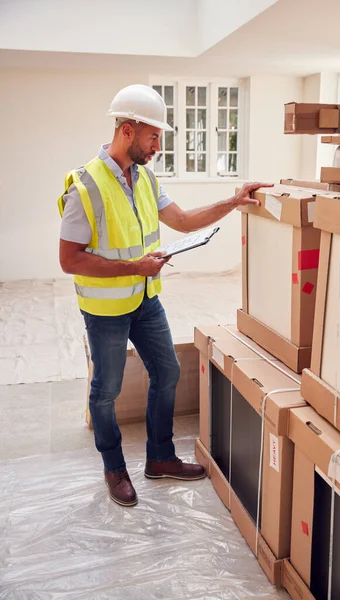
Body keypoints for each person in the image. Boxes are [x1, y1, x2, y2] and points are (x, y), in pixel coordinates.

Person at [58, 84, 271, 507]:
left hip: (144, 300)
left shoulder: (145, 178)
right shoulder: (85, 186)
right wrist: (136, 266)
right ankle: (115, 468)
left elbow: (186, 220)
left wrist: (234, 200)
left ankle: (160, 458)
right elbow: (69, 260)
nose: (158, 145)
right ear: (127, 130)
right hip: (105, 311)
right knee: (106, 390)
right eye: (153, 136)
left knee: (168, 372)